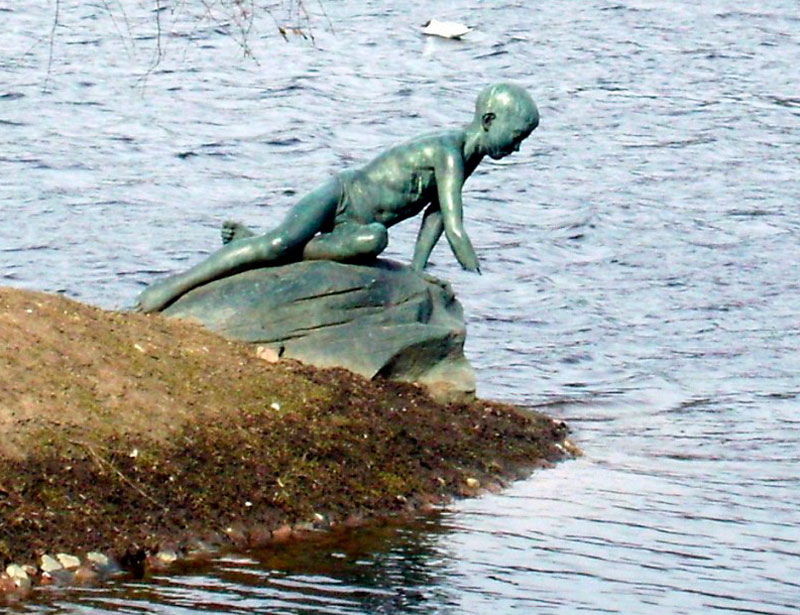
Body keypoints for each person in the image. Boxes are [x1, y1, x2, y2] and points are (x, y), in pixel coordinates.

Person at [135, 83, 539, 313]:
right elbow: (454, 223)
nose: (518, 149)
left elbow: (433, 216)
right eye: (517, 137)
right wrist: (477, 272)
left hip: (359, 226)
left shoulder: (469, 160)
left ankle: (272, 243)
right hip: (342, 195)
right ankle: (170, 289)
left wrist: (418, 272)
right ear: (489, 121)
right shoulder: (448, 152)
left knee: (374, 239)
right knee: (275, 245)